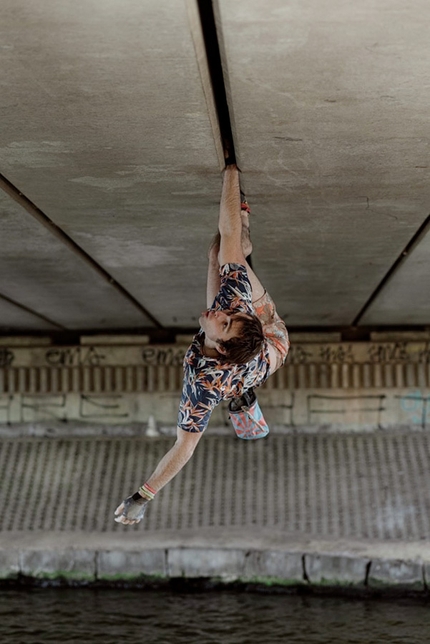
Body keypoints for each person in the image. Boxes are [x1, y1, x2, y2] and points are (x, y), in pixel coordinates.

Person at [114, 164, 289, 525]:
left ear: (220, 347)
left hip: (239, 368)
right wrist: (231, 175)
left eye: (221, 323)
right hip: (272, 336)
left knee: (215, 255)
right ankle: (246, 226)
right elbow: (227, 233)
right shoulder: (234, 304)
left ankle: (242, 392)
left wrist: (142, 496)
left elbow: (185, 445)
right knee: (229, 251)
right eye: (224, 316)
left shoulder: (203, 385)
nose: (215, 314)